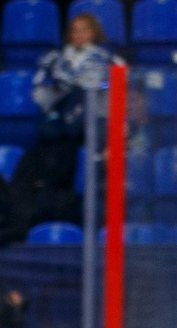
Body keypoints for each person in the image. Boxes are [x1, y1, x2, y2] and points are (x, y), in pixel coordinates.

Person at [18, 10, 114, 220]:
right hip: (61, 126)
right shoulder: (54, 60)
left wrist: (90, 89)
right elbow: (40, 90)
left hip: (93, 123)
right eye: (75, 30)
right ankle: (52, 212)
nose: (79, 35)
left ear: (94, 33)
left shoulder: (107, 60)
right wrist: (57, 90)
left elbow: (112, 89)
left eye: (85, 30)